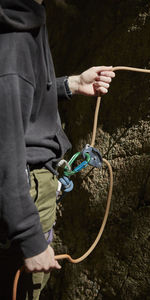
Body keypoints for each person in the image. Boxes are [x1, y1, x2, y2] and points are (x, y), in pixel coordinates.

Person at [0, 0, 115, 299]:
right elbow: (3, 149)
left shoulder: (22, 14)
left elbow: (17, 97)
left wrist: (70, 84)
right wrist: (29, 237)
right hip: (23, 192)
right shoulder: (14, 38)